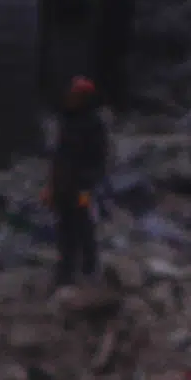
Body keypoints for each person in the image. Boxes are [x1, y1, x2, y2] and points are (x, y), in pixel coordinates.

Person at [47, 77, 108, 288]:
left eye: (74, 96)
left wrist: (88, 181)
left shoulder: (94, 124)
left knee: (83, 221)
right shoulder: (67, 121)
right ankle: (66, 269)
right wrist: (51, 186)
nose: (69, 98)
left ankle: (89, 267)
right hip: (64, 186)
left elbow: (99, 158)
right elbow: (59, 156)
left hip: (83, 187)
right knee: (64, 225)